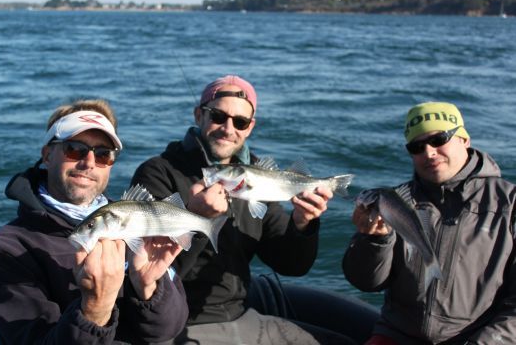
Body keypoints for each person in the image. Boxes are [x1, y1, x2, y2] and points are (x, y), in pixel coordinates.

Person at [130, 75, 356, 344]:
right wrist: (196, 217)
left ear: (250, 127)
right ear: (198, 115)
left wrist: (303, 224)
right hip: (179, 322)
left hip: (241, 315)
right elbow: (150, 270)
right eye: (217, 116)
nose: (228, 128)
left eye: (240, 122)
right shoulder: (158, 172)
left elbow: (291, 265)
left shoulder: (257, 178)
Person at [0, 99, 188, 344]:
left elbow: (166, 329)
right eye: (75, 149)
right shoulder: (3, 252)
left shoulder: (134, 224)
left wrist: (149, 288)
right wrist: (95, 309)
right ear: (47, 154)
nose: (88, 163)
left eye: (103, 154)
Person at [343, 102, 516, 345]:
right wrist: (373, 240)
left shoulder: (510, 203)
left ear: (464, 139)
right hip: (398, 335)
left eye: (439, 139)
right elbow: (366, 283)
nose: (429, 152)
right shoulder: (397, 200)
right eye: (417, 146)